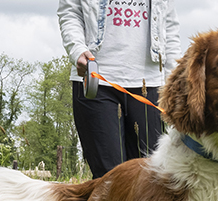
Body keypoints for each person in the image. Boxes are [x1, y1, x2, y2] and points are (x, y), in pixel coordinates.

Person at [58, 0, 181, 178]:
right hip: (96, 78)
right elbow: (70, 11)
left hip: (150, 82)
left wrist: (174, 83)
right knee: (108, 179)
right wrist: (76, 49)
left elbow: (169, 25)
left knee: (150, 179)